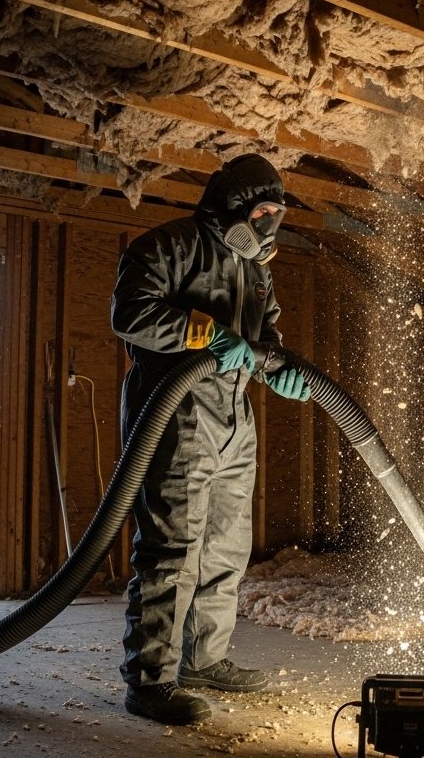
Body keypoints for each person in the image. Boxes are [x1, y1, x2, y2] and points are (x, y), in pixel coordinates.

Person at [109, 153, 311, 725]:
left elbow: (265, 331)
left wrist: (279, 365)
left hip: (234, 416)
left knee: (226, 548)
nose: (271, 225)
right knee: (172, 550)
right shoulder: (168, 245)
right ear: (232, 209)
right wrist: (207, 334)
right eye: (264, 211)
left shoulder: (256, 270)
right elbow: (131, 314)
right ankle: (150, 681)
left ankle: (204, 658)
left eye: (279, 213)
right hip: (175, 413)